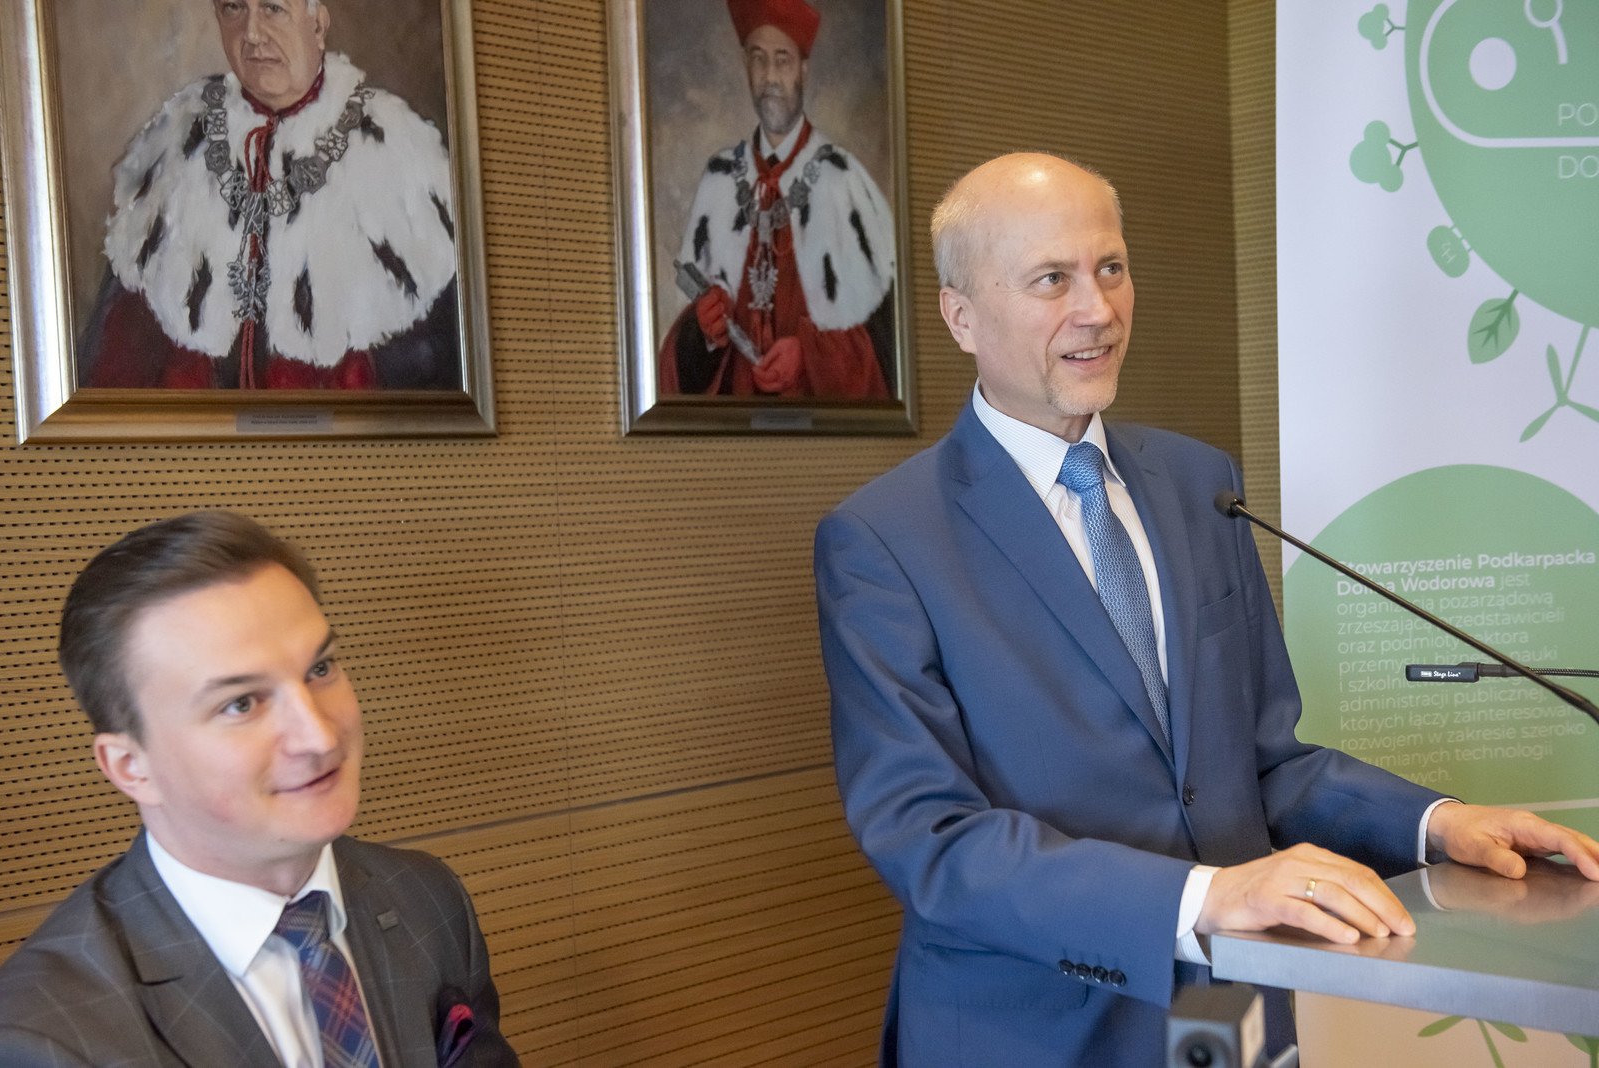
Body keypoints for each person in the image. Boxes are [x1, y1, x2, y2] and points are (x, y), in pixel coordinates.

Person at [813, 152, 1599, 1067]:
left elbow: (1264, 765)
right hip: (1032, 1031)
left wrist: (1437, 826)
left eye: (1111, 267)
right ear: (961, 316)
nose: (1098, 310)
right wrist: (1202, 898)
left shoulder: (1200, 482)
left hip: (1231, 1016)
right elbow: (930, 839)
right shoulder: (883, 540)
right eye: (1051, 279)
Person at [0, 512, 519, 1067]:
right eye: (241, 703)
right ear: (132, 767)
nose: (319, 736)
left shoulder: (428, 897)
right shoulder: (44, 1039)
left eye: (320, 668)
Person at [77, 0, 459, 390]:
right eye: (233, 8)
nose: (252, 34)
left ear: (318, 24)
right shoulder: (176, 145)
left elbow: (432, 376)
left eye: (273, 8)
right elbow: (115, 364)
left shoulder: (397, 155)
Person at [656, 0, 897, 399]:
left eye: (782, 60)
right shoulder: (719, 180)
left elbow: (887, 342)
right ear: (745, 67)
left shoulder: (843, 180)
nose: (770, 76)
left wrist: (810, 355)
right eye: (758, 59)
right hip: (733, 432)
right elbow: (678, 366)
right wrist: (704, 334)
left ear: (803, 69)